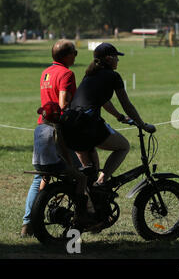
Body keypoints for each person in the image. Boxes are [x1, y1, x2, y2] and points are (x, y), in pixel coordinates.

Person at [60, 42, 155, 187]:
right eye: (116, 57)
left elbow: (104, 101)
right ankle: (102, 181)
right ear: (109, 59)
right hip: (88, 124)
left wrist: (119, 117)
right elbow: (127, 105)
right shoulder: (113, 76)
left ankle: (92, 200)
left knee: (89, 174)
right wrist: (143, 125)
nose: (118, 60)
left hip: (71, 124)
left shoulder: (90, 75)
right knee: (123, 146)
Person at [21, 40, 81, 237]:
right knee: (81, 172)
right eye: (74, 52)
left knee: (41, 176)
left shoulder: (46, 72)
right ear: (66, 55)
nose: (76, 54)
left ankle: (28, 223)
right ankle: (83, 218)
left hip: (42, 126)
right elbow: (63, 103)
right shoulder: (67, 73)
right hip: (59, 129)